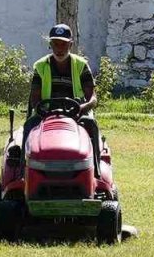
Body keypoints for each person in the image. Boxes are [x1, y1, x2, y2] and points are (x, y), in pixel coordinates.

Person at [26, 23, 101, 168]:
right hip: (46, 114)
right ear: (50, 45)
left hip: (77, 113)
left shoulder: (81, 65)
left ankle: (95, 169)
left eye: (63, 44)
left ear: (70, 45)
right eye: (56, 44)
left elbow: (93, 98)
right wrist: (42, 110)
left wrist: (83, 108)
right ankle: (23, 170)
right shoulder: (40, 66)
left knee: (91, 125)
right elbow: (35, 99)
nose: (59, 49)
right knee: (29, 126)